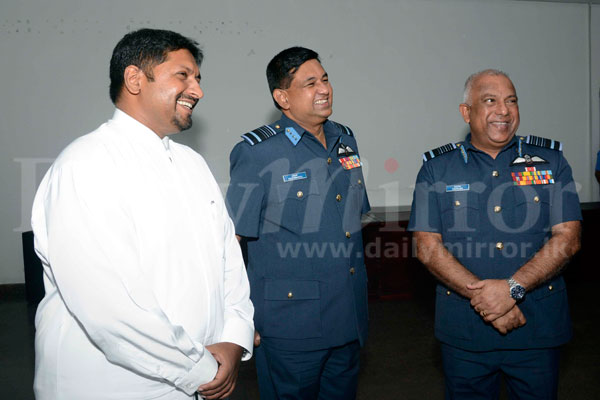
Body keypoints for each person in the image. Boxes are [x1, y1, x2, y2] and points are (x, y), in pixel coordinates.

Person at [31, 28, 254, 400]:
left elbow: (228, 262)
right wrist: (200, 369)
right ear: (134, 79)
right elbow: (108, 307)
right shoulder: (87, 164)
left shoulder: (191, 164)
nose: (197, 90)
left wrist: (233, 338)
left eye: (198, 78)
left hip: (200, 379)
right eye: (183, 75)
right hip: (115, 386)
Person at [408, 69, 582, 399]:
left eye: (511, 101)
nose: (503, 110)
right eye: (490, 101)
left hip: (537, 328)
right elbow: (427, 246)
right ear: (466, 112)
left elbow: (568, 238)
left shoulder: (550, 161)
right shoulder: (437, 168)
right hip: (465, 333)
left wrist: (512, 289)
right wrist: (488, 300)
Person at [225, 46, 370, 399]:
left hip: (348, 317)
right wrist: (236, 319)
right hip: (290, 325)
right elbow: (232, 243)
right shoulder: (258, 152)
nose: (323, 89)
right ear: (282, 97)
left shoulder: (344, 140)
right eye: (309, 83)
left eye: (324, 79)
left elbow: (354, 220)